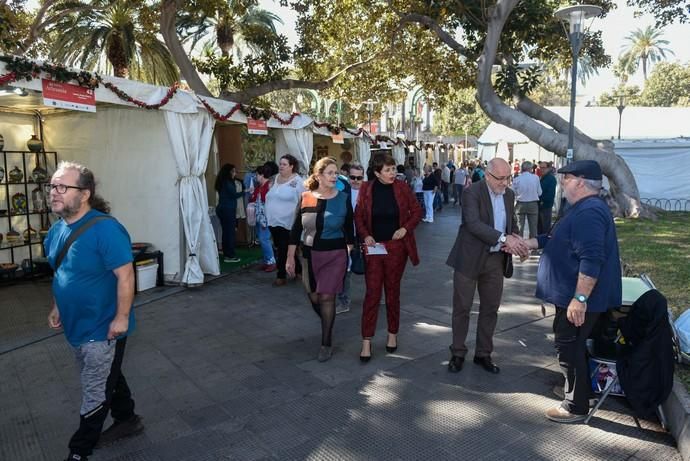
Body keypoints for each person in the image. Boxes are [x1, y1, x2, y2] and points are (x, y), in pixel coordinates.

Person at [44, 162, 143, 461]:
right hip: (75, 323)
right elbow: (63, 272)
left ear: (84, 193)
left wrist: (122, 317)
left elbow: (126, 276)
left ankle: (79, 450)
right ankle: (127, 418)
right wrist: (57, 305)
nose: (54, 193)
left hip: (102, 327)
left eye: (63, 187)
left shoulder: (106, 230)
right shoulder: (56, 230)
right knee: (108, 374)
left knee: (94, 388)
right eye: (52, 186)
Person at [521, 160, 622, 423]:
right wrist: (527, 243)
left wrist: (579, 299)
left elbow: (591, 259)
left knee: (568, 346)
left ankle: (574, 405)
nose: (562, 183)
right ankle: (580, 392)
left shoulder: (589, 212)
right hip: (572, 296)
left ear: (579, 182)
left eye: (565, 178)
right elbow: (554, 238)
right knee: (574, 345)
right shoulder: (580, 209)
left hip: (578, 299)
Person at [446, 158, 527, 374]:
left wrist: (517, 240)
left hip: (495, 261)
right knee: (462, 308)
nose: (505, 183)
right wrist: (503, 239)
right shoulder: (472, 192)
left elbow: (512, 223)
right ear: (487, 175)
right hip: (469, 258)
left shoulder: (509, 195)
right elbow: (473, 224)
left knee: (491, 308)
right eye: (500, 178)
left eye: (508, 178)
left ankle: (483, 354)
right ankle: (457, 353)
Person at [355, 154, 422, 362]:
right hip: (374, 247)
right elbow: (358, 216)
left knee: (392, 292)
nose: (393, 173)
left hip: (396, 248)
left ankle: (392, 334)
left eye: (393, 169)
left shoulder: (402, 187)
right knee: (372, 294)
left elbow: (417, 211)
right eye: (388, 170)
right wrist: (365, 235)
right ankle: (366, 340)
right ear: (377, 173)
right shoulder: (366, 189)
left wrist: (405, 228)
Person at [287, 157, 354, 362]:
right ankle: (328, 319)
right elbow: (295, 229)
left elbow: (349, 229)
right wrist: (290, 257)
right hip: (308, 254)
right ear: (318, 176)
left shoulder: (343, 198)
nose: (335, 176)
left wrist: (348, 250)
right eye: (330, 173)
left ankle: (326, 342)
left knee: (327, 297)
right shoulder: (305, 197)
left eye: (336, 173)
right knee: (314, 297)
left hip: (335, 254)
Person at [266, 154, 306, 286]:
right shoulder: (274, 179)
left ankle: (281, 275)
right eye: (280, 164)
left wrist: (300, 218)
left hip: (289, 222)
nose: (281, 166)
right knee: (283, 247)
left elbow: (304, 200)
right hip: (273, 221)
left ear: (291, 166)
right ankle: (299, 270)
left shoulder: (298, 182)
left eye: (284, 164)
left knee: (283, 248)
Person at [336, 163, 365, 314]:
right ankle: (343, 301)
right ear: (348, 177)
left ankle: (376, 295)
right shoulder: (342, 192)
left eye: (359, 177)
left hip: (366, 237)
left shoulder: (369, 193)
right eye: (352, 177)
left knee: (372, 268)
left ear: (363, 177)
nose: (355, 180)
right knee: (344, 269)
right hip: (347, 236)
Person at [214, 164, 244, 263]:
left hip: (222, 209)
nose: (235, 173)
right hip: (227, 210)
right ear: (229, 172)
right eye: (233, 171)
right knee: (230, 233)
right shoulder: (228, 182)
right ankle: (230, 255)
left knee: (226, 232)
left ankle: (226, 252)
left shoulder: (222, 181)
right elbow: (234, 195)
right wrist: (244, 191)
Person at [249, 165, 276, 272]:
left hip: (265, 217)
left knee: (264, 239)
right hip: (261, 217)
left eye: (257, 174)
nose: (256, 177)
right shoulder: (263, 186)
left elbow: (268, 203)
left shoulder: (268, 186)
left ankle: (271, 262)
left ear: (262, 175)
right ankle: (267, 260)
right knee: (263, 239)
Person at [512, 161, 542, 239]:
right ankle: (533, 247)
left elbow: (512, 192)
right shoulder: (536, 178)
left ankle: (519, 246)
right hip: (533, 203)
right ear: (531, 169)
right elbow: (540, 193)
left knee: (519, 227)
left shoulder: (517, 179)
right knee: (533, 227)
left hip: (520, 203)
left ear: (522, 168)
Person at [538, 161, 557, 234]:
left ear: (548, 168)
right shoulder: (542, 177)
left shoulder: (551, 178)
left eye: (544, 168)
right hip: (540, 206)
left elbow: (550, 195)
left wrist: (541, 201)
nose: (542, 169)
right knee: (540, 228)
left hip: (545, 206)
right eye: (540, 167)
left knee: (545, 227)